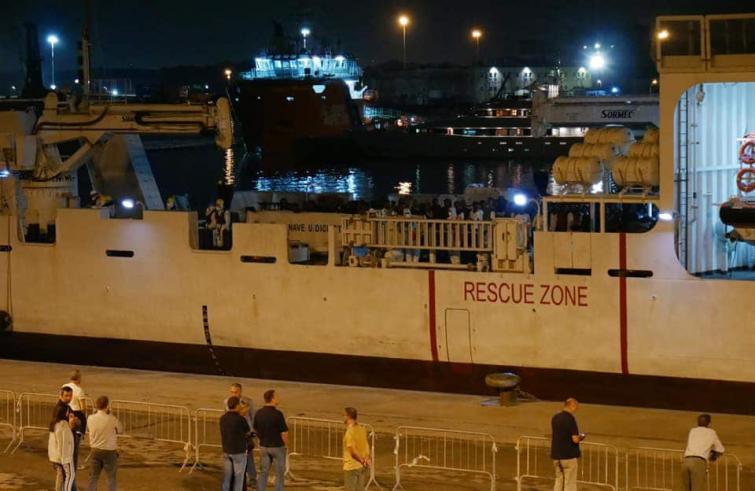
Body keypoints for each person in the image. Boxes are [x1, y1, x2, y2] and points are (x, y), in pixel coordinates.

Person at [253, 389, 288, 491]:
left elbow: (255, 429)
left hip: (264, 446)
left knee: (263, 471)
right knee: (279, 473)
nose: (278, 398)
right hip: (277, 447)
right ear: (272, 399)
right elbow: (284, 432)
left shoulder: (259, 413)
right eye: (276, 396)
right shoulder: (278, 414)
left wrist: (260, 441)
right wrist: (286, 445)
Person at [679, 414, 725, 491]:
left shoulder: (692, 431)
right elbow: (721, 449)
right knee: (698, 488)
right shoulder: (711, 432)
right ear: (709, 423)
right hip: (698, 462)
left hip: (686, 461)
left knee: (684, 488)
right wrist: (713, 455)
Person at [87, 396, 123, 491]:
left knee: (93, 476)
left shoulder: (90, 418)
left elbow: (89, 428)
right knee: (111, 477)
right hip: (109, 451)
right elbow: (120, 429)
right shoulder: (111, 419)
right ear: (107, 406)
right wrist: (110, 414)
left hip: (95, 449)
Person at [225, 383, 257, 488]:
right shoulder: (227, 402)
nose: (233, 394)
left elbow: (253, 417)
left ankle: (252, 479)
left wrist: (254, 432)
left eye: (236, 392)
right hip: (234, 433)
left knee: (249, 457)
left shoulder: (248, 402)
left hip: (246, 433)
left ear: (240, 392)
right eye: (232, 392)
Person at [550, 398, 586, 491]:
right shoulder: (570, 419)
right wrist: (581, 437)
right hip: (568, 456)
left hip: (556, 455)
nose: (575, 410)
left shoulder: (555, 417)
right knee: (569, 483)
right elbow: (575, 439)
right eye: (575, 408)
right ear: (572, 406)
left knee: (559, 480)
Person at [63, 370, 87, 491]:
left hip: (66, 419)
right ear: (78, 378)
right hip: (76, 419)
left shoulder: (64, 387)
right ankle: (71, 485)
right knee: (74, 452)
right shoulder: (79, 390)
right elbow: (83, 408)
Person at [220, 396, 251, 491]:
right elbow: (247, 432)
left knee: (227, 477)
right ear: (237, 406)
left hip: (227, 450)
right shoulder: (241, 419)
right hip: (238, 452)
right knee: (239, 478)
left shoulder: (223, 418)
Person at [49, 401, 77, 491]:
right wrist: (66, 459)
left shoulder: (54, 424)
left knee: (61, 475)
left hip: (55, 456)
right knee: (68, 475)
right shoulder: (63, 426)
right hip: (62, 457)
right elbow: (65, 442)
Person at [342, 407, 370, 491]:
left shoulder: (350, 432)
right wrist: (366, 459)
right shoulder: (362, 429)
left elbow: (353, 451)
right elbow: (366, 447)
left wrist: (362, 460)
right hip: (361, 467)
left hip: (351, 466)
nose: (343, 417)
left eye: (344, 415)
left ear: (348, 416)